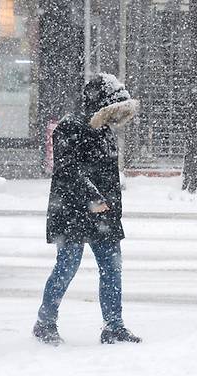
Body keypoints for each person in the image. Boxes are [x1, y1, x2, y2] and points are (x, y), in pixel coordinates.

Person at [33, 73, 141, 346]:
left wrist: (111, 209)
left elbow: (109, 177)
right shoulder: (69, 127)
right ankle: (45, 322)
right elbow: (67, 171)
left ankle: (114, 327)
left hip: (103, 214)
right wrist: (93, 198)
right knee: (66, 267)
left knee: (112, 269)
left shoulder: (105, 131)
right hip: (72, 213)